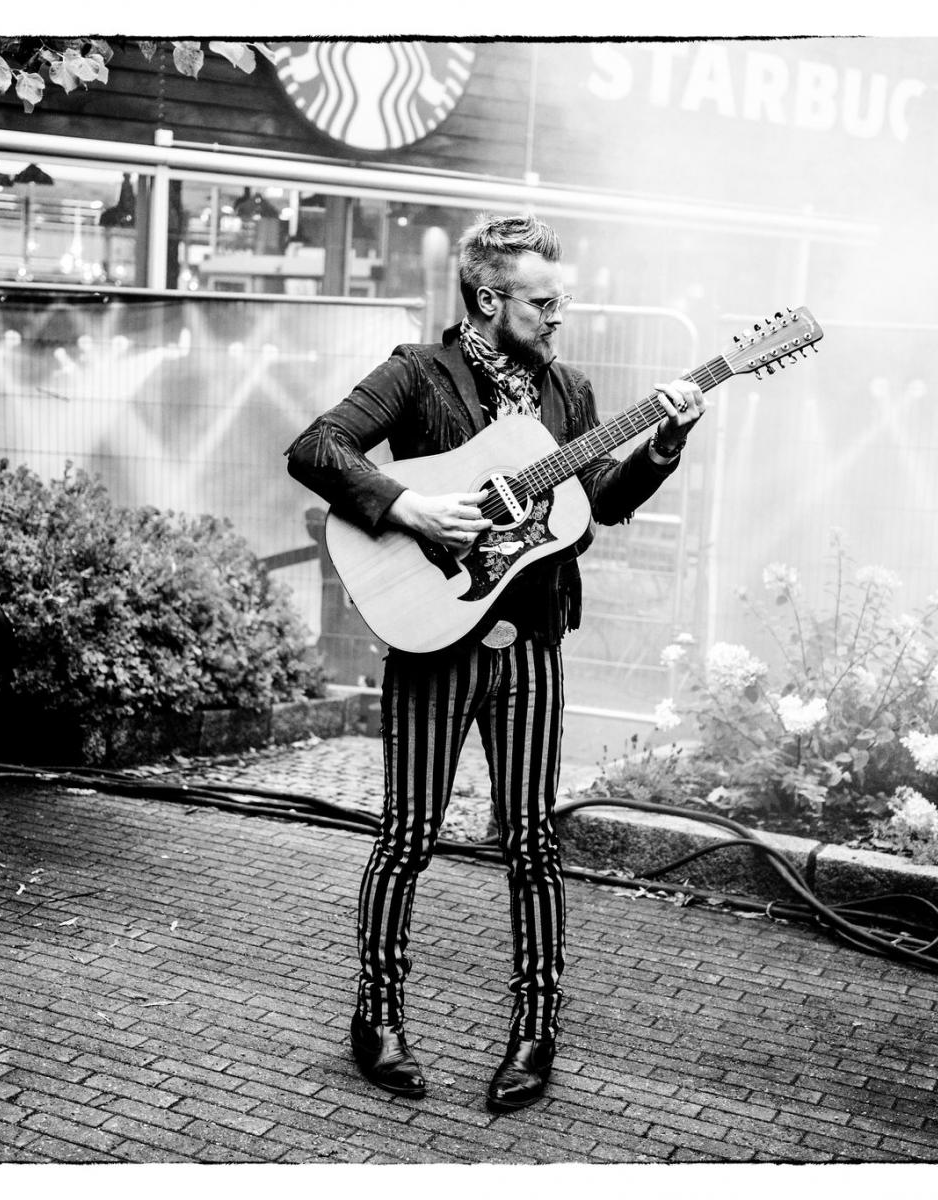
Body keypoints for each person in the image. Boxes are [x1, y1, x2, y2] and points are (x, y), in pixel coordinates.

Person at [285, 214, 706, 1111]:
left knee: (532, 845)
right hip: (436, 642)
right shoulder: (418, 374)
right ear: (488, 298)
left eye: (564, 300)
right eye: (544, 302)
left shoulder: (572, 393)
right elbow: (316, 448)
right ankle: (377, 1018)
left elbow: (599, 504)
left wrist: (663, 444)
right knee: (408, 836)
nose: (561, 316)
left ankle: (537, 1031)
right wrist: (406, 507)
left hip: (534, 647)